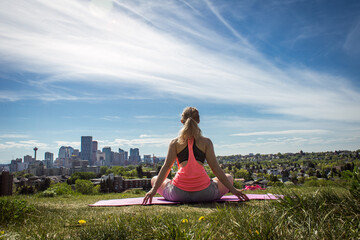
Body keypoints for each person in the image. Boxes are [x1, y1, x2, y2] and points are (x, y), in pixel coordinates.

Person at [142, 107, 249, 204]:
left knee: (154, 179)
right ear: (198, 120)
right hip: (206, 194)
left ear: (181, 121)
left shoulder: (175, 143)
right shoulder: (206, 142)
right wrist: (233, 190)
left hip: (178, 194)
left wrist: (154, 190)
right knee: (229, 177)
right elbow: (215, 168)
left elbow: (166, 167)